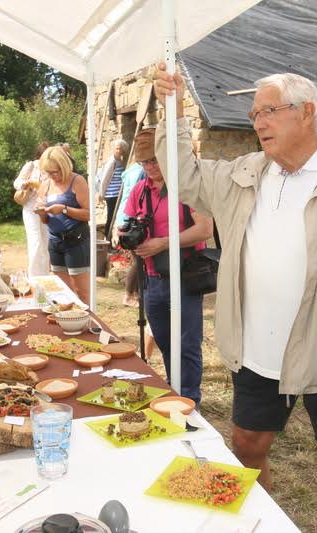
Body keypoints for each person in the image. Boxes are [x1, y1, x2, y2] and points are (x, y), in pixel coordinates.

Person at [154, 64, 317, 532]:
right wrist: (172, 111)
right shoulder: (247, 173)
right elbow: (184, 175)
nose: (257, 121)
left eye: (269, 111)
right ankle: (257, 525)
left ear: (307, 113)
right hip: (259, 349)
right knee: (247, 447)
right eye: (254, 113)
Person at [121, 128, 212, 404]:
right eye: (145, 162)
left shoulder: (187, 187)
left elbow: (205, 229)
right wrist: (124, 235)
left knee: (186, 344)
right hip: (151, 278)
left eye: (154, 160)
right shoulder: (139, 190)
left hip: (185, 276)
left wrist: (162, 243)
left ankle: (190, 401)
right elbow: (125, 224)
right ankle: (176, 391)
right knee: (164, 341)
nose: (150, 167)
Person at [34, 146, 91, 303]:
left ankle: (86, 324)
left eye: (55, 172)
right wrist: (42, 213)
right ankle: (69, 323)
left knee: (82, 292)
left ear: (64, 166)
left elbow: (88, 213)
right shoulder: (45, 185)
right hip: (55, 241)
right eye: (48, 173)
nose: (52, 176)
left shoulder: (77, 181)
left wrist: (64, 209)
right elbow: (45, 220)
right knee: (63, 291)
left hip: (76, 240)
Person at [14, 142, 51, 277]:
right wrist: (25, 184)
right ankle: (34, 276)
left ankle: (44, 275)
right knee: (35, 242)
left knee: (45, 243)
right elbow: (16, 183)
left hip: (46, 209)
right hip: (30, 209)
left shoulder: (51, 168)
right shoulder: (31, 166)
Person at [113, 161, 146, 307]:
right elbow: (136, 197)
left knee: (139, 261)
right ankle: (128, 295)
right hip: (129, 219)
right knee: (139, 261)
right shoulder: (140, 173)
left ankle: (136, 294)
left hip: (124, 217)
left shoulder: (131, 170)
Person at [97, 139, 128, 240]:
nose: (119, 151)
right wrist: (101, 194)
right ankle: (108, 238)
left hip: (117, 194)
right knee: (111, 217)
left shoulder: (119, 161)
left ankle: (112, 237)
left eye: (121, 149)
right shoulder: (112, 162)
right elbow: (105, 179)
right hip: (111, 194)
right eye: (117, 148)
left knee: (116, 216)